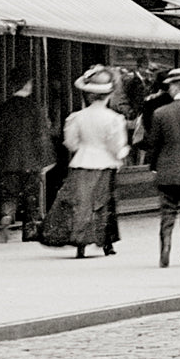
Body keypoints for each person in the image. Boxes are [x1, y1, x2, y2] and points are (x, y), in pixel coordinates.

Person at [41, 65, 128, 258]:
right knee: (104, 202)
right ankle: (106, 241)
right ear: (109, 94)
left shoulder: (76, 117)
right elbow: (116, 146)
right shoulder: (114, 119)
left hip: (82, 161)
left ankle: (80, 242)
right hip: (105, 163)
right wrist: (122, 153)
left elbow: (71, 143)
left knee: (81, 202)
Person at [0, 66, 53, 242]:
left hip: (8, 160)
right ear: (27, 84)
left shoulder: (3, 108)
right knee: (30, 196)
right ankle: (29, 229)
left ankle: (6, 215)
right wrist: (46, 159)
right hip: (31, 160)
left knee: (9, 193)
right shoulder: (35, 108)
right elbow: (42, 135)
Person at [147, 68, 180, 268]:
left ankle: (165, 247)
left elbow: (153, 144)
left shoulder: (160, 113)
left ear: (175, 87)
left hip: (166, 171)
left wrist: (153, 166)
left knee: (167, 213)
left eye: (170, 86)